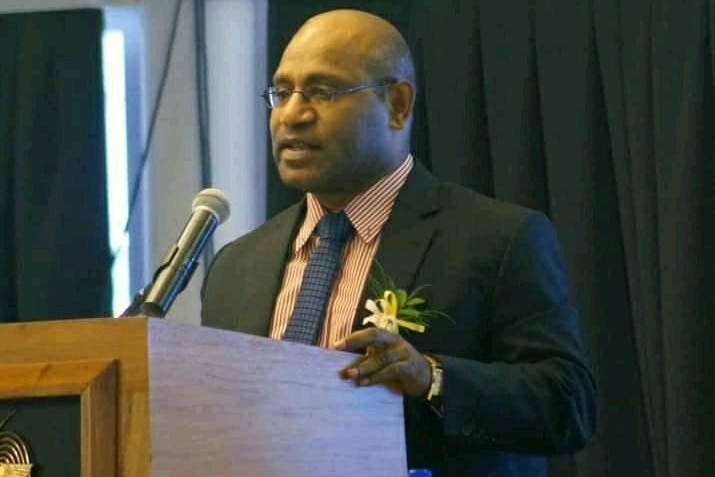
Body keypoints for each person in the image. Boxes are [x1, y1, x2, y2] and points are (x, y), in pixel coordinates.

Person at [202, 9, 596, 476]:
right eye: (281, 92)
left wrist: (433, 378)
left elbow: (568, 403)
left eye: (323, 92)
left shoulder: (498, 238)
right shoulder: (234, 266)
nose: (291, 115)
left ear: (398, 105)